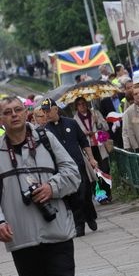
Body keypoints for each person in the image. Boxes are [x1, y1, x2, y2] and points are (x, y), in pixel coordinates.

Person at [0, 96, 80, 276]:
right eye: (7, 112)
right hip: (22, 240)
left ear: (26, 113)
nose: (14, 115)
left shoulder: (46, 139)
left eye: (18, 110)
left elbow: (73, 173)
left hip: (58, 233)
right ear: (0, 119)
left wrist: (51, 187)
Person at [41, 98, 98, 237]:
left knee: (85, 194)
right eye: (44, 111)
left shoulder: (71, 123)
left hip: (78, 165)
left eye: (49, 110)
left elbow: (83, 141)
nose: (47, 114)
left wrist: (91, 158)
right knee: (73, 197)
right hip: (62, 170)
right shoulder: (45, 131)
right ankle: (79, 224)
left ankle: (90, 216)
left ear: (56, 109)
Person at [72, 97, 111, 203]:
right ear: (76, 106)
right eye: (79, 104)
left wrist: (98, 123)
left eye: (83, 103)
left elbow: (106, 127)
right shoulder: (75, 119)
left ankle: (108, 192)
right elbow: (75, 136)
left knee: (105, 169)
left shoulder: (95, 113)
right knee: (93, 173)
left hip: (99, 145)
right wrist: (83, 133)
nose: (82, 106)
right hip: (88, 149)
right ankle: (100, 196)